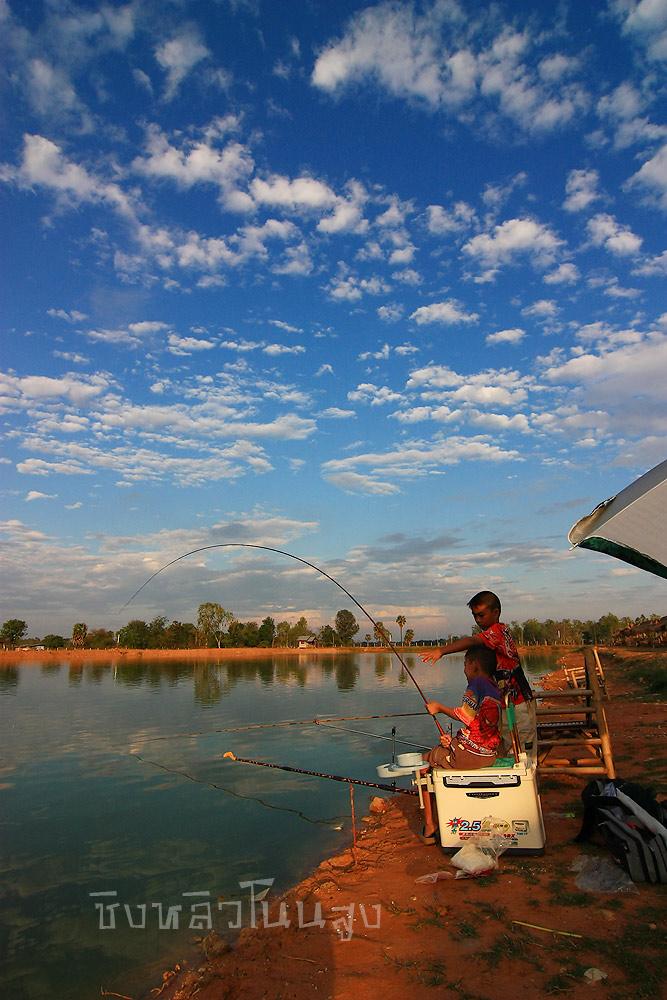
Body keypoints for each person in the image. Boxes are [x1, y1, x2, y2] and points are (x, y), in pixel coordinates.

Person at [419, 590, 537, 755]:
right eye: (475, 616)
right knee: (504, 750)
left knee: (522, 751)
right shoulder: (491, 638)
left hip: (517, 705)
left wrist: (441, 651)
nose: (479, 620)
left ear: (496, 613)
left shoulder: (498, 631)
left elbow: (471, 641)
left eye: (482, 615)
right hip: (502, 704)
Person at [418, 645, 502, 843]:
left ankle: (430, 827)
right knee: (443, 749)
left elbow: (464, 715)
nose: (464, 670)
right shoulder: (493, 686)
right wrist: (455, 741)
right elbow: (477, 725)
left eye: (465, 665)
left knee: (421, 764)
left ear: (474, 665)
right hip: (487, 754)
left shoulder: (478, 683)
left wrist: (438, 707)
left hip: (469, 756)